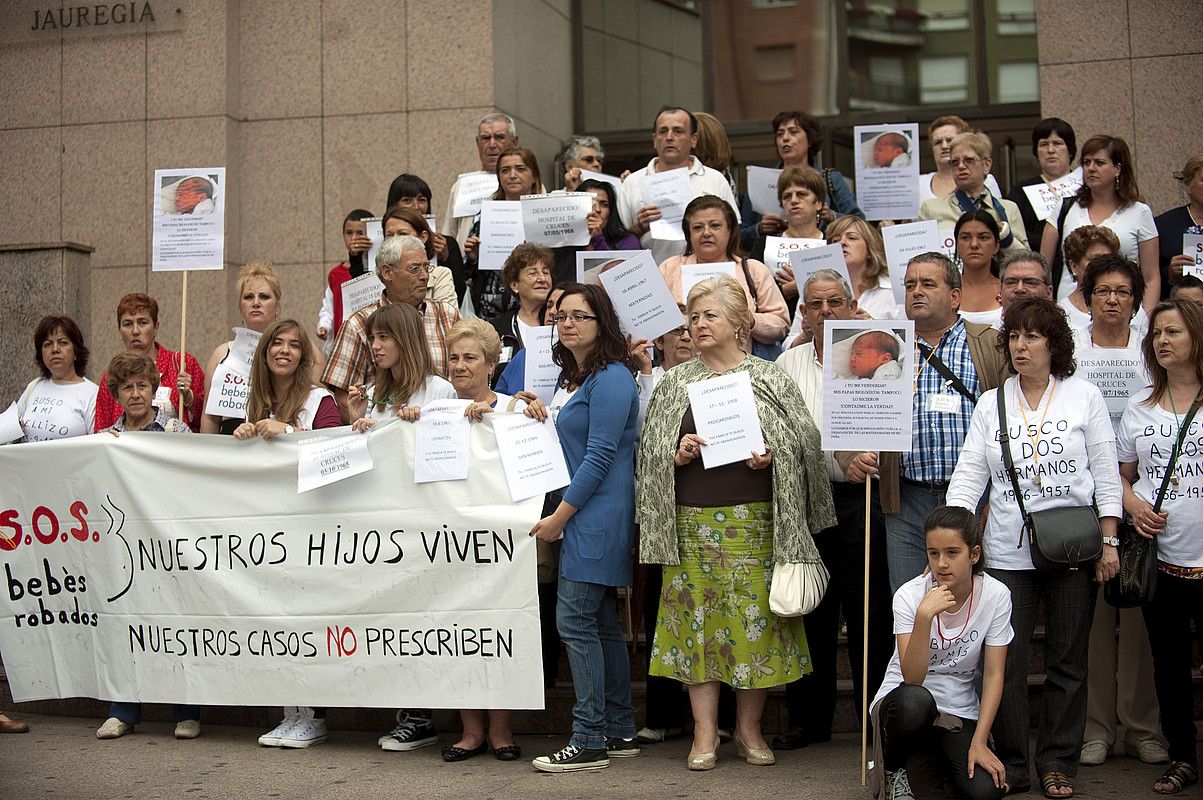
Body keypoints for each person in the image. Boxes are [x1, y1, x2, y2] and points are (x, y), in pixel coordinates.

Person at [637, 273, 836, 771]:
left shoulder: (769, 377)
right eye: (694, 316)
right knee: (695, 630)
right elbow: (649, 453)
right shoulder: (675, 382)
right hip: (691, 527)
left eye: (710, 316)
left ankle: (748, 730)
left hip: (755, 524)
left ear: (740, 323)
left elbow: (805, 442)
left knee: (757, 630)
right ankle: (704, 732)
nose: (698, 325)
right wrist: (675, 453)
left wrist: (775, 457)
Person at [945, 295, 1123, 799]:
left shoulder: (1083, 396)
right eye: (1014, 337)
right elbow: (969, 476)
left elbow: (1106, 475)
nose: (1020, 347)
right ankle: (1016, 763)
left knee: (1068, 657)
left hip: (1074, 549)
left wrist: (1110, 542)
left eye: (1032, 336)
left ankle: (1058, 762)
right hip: (1006, 551)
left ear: (1055, 344)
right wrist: (953, 536)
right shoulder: (991, 402)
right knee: (1008, 660)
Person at [773, 270, 894, 752]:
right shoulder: (788, 362)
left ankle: (875, 720)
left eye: (834, 303)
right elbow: (780, 430)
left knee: (870, 613)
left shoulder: (874, 356)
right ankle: (809, 722)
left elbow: (893, 423)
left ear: (851, 307)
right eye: (815, 304)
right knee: (812, 614)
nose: (826, 312)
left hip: (861, 501)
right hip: (806, 501)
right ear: (803, 312)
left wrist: (874, 454)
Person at [523, 283, 641, 773]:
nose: (567, 323)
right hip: (587, 511)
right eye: (561, 316)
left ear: (602, 323)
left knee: (573, 621)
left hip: (596, 514)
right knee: (600, 623)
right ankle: (617, 728)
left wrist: (559, 518)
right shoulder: (575, 378)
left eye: (580, 316)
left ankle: (589, 736)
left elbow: (599, 457)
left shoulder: (612, 377)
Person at [1070, 254, 1164, 769]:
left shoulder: (1154, 354)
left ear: (1135, 300)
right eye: (1102, 290)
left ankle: (1142, 727)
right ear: (1086, 297)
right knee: (1094, 626)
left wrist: (1133, 496)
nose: (1112, 300)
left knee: (1140, 621)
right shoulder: (1073, 355)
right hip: (1089, 504)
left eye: (1122, 292)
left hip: (1148, 506)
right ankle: (1097, 728)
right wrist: (1117, 495)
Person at [235, 320, 339, 748]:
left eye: (294, 345)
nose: (284, 351)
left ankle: (313, 715)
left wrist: (291, 432)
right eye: (276, 343)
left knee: (307, 621)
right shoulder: (255, 403)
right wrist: (242, 437)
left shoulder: (319, 400)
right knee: (279, 621)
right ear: (263, 353)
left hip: (312, 526)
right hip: (272, 528)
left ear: (303, 356)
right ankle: (289, 712)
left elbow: (338, 447)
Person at [882, 252, 1009, 591]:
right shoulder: (886, 343)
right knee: (910, 607)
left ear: (955, 296)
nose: (916, 291)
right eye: (910, 285)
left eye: (927, 283)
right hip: (907, 503)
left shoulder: (991, 343)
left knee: (977, 608)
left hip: (976, 498)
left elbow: (1013, 412)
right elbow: (852, 414)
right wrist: (851, 457)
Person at [1117, 299, 1203, 794]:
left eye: (1173, 332)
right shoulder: (1140, 407)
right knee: (1169, 668)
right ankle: (1183, 756)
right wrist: (1133, 506)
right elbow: (1121, 476)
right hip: (1161, 561)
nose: (1162, 341)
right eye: (1157, 334)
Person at [870, 505, 1011, 800]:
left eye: (952, 553)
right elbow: (912, 677)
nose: (941, 564)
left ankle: (930, 762)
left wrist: (981, 741)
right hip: (904, 704)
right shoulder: (910, 595)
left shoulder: (996, 595)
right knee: (916, 700)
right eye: (933, 553)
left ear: (973, 554)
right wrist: (924, 617)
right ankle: (893, 770)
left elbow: (995, 674)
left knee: (985, 793)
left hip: (957, 710)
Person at [94, 351, 197, 739]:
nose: (135, 394)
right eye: (127, 387)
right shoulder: (104, 441)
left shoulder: (176, 432)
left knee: (176, 625)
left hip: (166, 547)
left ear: (154, 390)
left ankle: (186, 712)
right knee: (125, 627)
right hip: (123, 551)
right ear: (116, 394)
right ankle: (123, 711)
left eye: (142, 386)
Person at [322, 234, 459, 421]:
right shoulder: (358, 324)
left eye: (426, 267)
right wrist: (370, 426)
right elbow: (344, 395)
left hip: (443, 431)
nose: (425, 276)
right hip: (381, 432)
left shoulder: (447, 314)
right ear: (387, 272)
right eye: (414, 269)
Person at [657, 195, 790, 359]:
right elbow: (654, 324)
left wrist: (750, 319)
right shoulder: (669, 268)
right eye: (698, 227)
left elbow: (781, 324)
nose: (706, 233)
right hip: (680, 369)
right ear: (688, 234)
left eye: (715, 226)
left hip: (739, 371)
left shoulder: (753, 270)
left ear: (730, 231)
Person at [1040, 135, 1159, 310]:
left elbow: (1151, 277)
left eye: (1099, 163)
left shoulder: (1139, 212)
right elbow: (1044, 269)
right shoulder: (1064, 207)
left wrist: (1145, 320)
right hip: (1068, 311)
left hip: (1121, 311)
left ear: (1118, 168)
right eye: (1086, 162)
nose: (1091, 168)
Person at [203, 262, 322, 434]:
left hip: (284, 438)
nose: (256, 303)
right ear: (240, 306)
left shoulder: (305, 349)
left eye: (264, 297)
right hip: (232, 443)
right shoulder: (222, 354)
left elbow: (317, 400)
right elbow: (210, 417)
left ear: (277, 307)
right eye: (248, 297)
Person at [619, 106, 741, 265]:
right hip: (652, 277)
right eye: (663, 131)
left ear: (693, 139)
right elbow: (617, 242)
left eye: (678, 131)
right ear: (654, 140)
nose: (669, 137)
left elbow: (734, 232)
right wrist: (640, 227)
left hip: (707, 276)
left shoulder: (714, 179)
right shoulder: (632, 182)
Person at [739, 109, 862, 252]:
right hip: (773, 259)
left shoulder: (830, 179)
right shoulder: (759, 180)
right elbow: (739, 238)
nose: (785, 138)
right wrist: (759, 229)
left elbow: (859, 223)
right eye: (780, 134)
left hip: (821, 254)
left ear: (810, 139)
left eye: (793, 132)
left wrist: (832, 216)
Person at [93, 293, 203, 432]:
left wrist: (190, 398)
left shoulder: (182, 364)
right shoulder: (111, 377)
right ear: (119, 330)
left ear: (156, 327)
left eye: (142, 323)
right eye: (127, 324)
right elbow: (102, 430)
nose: (135, 331)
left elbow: (207, 418)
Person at [785, 216, 901, 347]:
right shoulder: (814, 290)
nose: (842, 243)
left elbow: (907, 343)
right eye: (835, 240)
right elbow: (787, 346)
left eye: (852, 237)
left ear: (869, 250)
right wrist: (806, 335)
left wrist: (873, 326)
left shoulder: (893, 291)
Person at [347, 303, 456, 430]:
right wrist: (356, 419)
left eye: (383, 337)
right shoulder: (372, 394)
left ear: (405, 339)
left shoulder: (440, 390)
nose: (375, 346)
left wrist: (416, 425)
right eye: (372, 338)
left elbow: (448, 443)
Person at [463, 146, 541, 321]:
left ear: (534, 176)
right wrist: (474, 258)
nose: (512, 175)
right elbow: (468, 275)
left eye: (520, 169)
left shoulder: (545, 214)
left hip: (536, 305)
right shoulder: (484, 216)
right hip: (491, 307)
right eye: (505, 170)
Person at [920, 132, 1028, 254]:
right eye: (954, 162)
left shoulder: (1008, 209)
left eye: (969, 160)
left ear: (986, 165)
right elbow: (919, 258)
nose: (960, 166)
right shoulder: (930, 209)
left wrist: (1004, 235)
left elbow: (1026, 262)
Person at [5, 315, 97, 444]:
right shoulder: (35, 386)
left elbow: (98, 444)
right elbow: (8, 430)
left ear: (76, 352)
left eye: (63, 343)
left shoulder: (92, 393)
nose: (55, 349)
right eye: (47, 344)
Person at [750, 165, 827, 308]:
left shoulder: (833, 244)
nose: (794, 200)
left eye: (801, 194)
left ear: (818, 203)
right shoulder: (763, 245)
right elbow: (751, 294)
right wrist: (787, 289)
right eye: (787, 196)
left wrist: (803, 285)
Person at [441, 112, 522, 245]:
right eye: (485, 138)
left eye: (499, 137)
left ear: (514, 142)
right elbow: (449, 236)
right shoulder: (461, 186)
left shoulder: (527, 182)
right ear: (478, 143)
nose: (491, 144)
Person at [386, 173, 467, 304]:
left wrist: (445, 259)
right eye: (407, 201)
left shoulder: (447, 243)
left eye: (422, 200)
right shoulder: (380, 244)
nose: (416, 207)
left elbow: (460, 293)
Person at [1006, 118, 1079, 247]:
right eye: (1044, 144)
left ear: (1070, 150)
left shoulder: (1085, 185)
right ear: (1036, 152)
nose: (1050, 150)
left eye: (1057, 143)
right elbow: (1016, 232)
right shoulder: (1020, 191)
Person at [490, 242, 552, 378]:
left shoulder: (560, 322)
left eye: (546, 272)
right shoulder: (497, 329)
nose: (542, 279)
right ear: (514, 285)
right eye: (532, 273)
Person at [316, 209, 374, 355]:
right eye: (349, 233)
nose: (354, 238)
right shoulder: (335, 274)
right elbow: (329, 307)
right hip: (341, 347)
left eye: (360, 233)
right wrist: (324, 325)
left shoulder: (380, 271)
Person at [381, 205, 457, 306]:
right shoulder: (381, 275)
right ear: (387, 273)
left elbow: (447, 319)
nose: (396, 241)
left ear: (423, 237)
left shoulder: (440, 276)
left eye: (403, 234)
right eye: (389, 236)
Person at [919, 116, 1003, 205]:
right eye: (938, 142)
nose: (944, 146)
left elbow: (996, 215)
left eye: (950, 140)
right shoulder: (918, 183)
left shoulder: (985, 180)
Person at [1154, 154, 1203, 298]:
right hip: (1182, 308)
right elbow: (1149, 276)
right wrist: (1170, 273)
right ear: (1188, 186)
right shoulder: (1164, 226)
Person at [1058, 226, 1123, 331]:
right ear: (1074, 265)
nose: (1104, 265)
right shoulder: (1060, 314)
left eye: (1109, 259)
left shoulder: (1129, 307)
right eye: (1095, 259)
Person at [954, 210, 1004, 327]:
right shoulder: (944, 291)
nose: (974, 244)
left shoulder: (1009, 290)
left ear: (996, 246)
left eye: (983, 237)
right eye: (965, 237)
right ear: (956, 245)